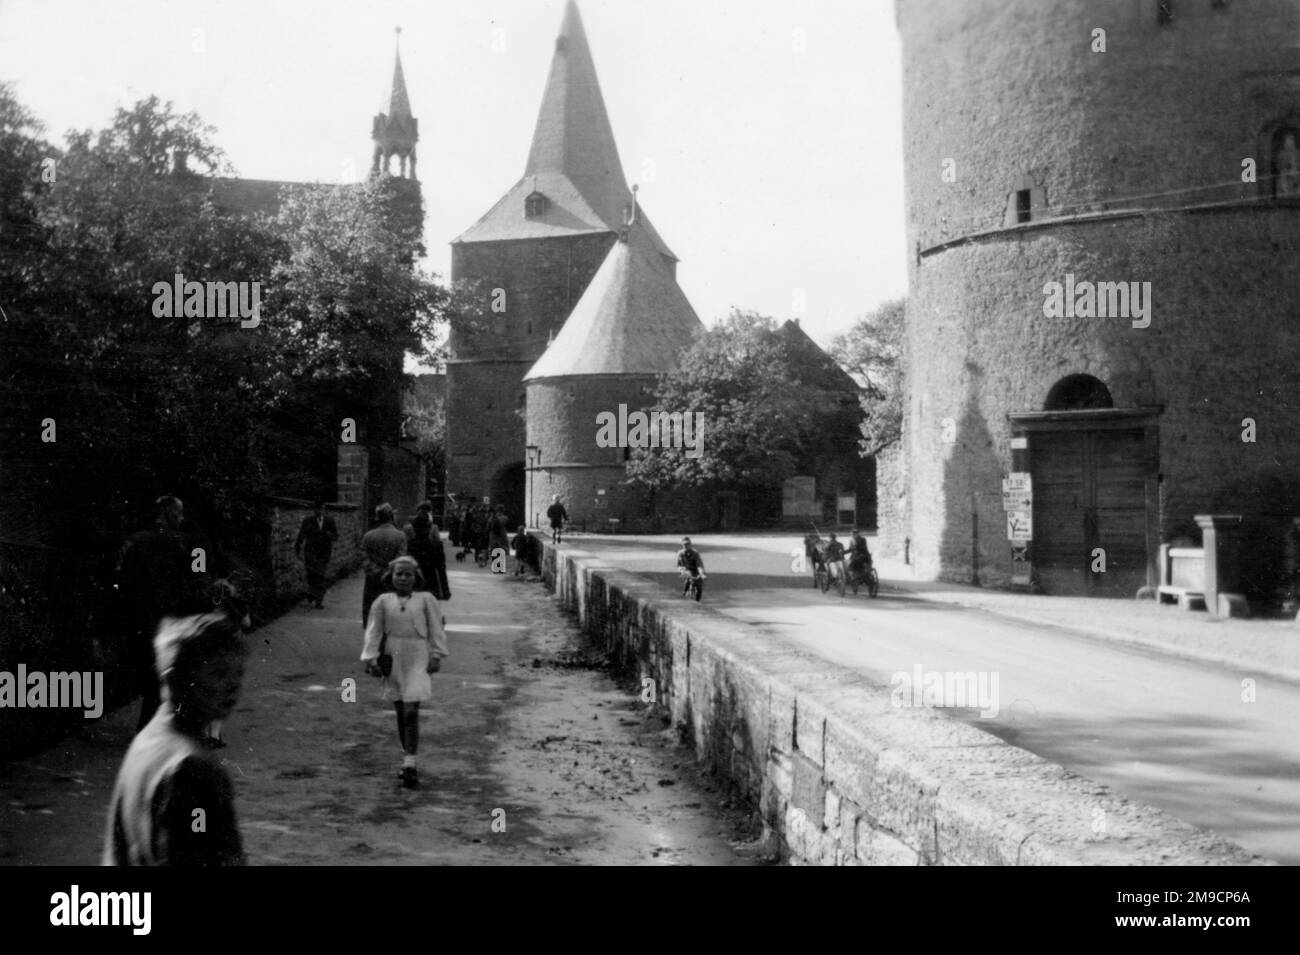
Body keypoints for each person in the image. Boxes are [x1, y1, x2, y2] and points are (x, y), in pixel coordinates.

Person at [103, 612, 249, 865]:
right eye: (218, 673)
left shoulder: (149, 740)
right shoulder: (192, 769)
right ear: (177, 678)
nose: (233, 685)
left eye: (238, 674)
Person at [117, 495, 208, 732]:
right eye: (178, 513)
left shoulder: (135, 542)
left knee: (152, 673)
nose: (182, 518)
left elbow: (124, 581)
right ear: (167, 513)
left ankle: (151, 724)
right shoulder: (188, 544)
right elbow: (199, 578)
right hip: (172, 619)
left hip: (142, 619)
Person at [361, 556, 449, 789]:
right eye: (399, 573)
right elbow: (374, 631)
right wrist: (371, 658)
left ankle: (410, 763)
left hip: (418, 656)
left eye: (408, 574)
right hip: (394, 656)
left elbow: (436, 628)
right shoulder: (382, 601)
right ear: (391, 576)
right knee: (401, 709)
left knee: (411, 709)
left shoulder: (426, 599)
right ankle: (407, 758)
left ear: (416, 577)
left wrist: (437, 655)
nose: (403, 578)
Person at [361, 503, 407, 629]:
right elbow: (400, 559)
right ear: (391, 517)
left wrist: (374, 569)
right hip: (391, 580)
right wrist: (389, 571)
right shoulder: (400, 536)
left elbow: (363, 557)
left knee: (372, 609)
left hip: (373, 579)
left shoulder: (368, 536)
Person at [294, 501, 338, 609]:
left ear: (324, 510)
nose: (319, 511)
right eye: (317, 509)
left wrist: (330, 535)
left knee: (320, 575)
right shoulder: (307, 521)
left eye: (321, 509)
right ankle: (312, 596)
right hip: (310, 552)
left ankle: (319, 601)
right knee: (311, 575)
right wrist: (297, 549)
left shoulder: (329, 521)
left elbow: (336, 536)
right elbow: (301, 535)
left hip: (324, 553)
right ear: (314, 510)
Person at [408, 502, 451, 601]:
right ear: (428, 529)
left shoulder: (410, 544)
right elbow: (441, 569)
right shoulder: (436, 546)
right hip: (432, 585)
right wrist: (445, 591)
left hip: (414, 584)